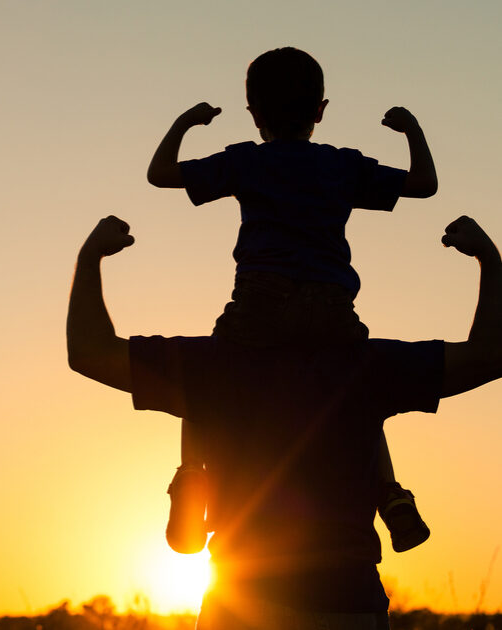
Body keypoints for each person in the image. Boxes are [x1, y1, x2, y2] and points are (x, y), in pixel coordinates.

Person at [67, 214, 502, 629]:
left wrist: (91, 257)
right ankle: (391, 495)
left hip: (243, 601)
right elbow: (488, 356)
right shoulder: (368, 365)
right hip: (349, 601)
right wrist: (488, 259)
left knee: (192, 399)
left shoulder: (213, 364)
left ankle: (190, 478)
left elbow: (89, 351)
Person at [146, 47, 438, 553]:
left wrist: (186, 123)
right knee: (360, 397)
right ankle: (389, 492)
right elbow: (423, 185)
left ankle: (193, 476)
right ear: (321, 110)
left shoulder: (247, 160)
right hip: (331, 306)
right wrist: (412, 129)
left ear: (253, 112)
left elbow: (161, 173)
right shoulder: (341, 166)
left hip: (260, 300)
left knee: (202, 380)